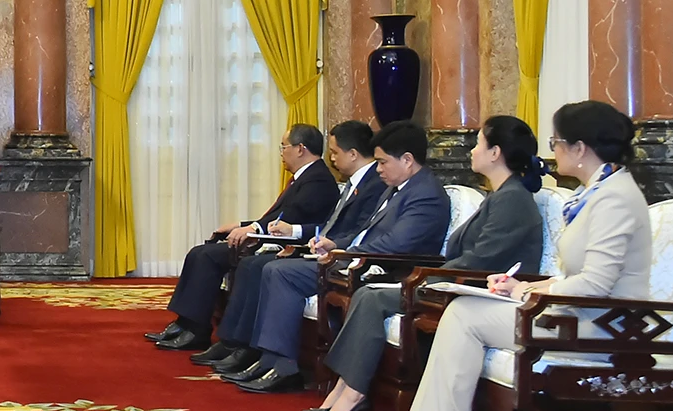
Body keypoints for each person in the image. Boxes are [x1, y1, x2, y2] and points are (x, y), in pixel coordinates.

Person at [398, 101, 650, 411]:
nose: (553, 151)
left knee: (465, 316)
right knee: (464, 311)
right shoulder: (600, 191)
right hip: (581, 312)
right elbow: (577, 276)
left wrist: (527, 295)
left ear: (580, 149)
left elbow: (596, 284)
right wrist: (523, 284)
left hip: (606, 325)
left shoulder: (614, 198)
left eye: (558, 142)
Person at [308, 115, 547, 411]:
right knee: (369, 294)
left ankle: (352, 392)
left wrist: (427, 277)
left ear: (495, 153)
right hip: (462, 282)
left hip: (481, 290)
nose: (472, 150)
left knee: (373, 297)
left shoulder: (513, 199)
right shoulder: (501, 195)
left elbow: (483, 260)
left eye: (478, 144)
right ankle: (345, 388)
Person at [224, 119, 452, 394]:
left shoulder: (425, 194)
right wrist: (333, 243)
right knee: (275, 268)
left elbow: (397, 243)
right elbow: (365, 232)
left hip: (383, 269)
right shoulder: (398, 188)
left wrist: (342, 252)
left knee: (279, 271)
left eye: (382, 162)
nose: (377, 169)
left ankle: (284, 366)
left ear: (406, 160)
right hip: (355, 259)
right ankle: (270, 359)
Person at [193, 120, 386, 372]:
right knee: (253, 263)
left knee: (264, 266)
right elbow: (327, 225)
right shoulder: (353, 182)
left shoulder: (372, 185)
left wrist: (317, 243)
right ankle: (235, 343)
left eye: (335, 153)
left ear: (352, 154)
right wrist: (298, 236)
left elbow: (359, 232)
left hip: (341, 259)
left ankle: (260, 354)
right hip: (321, 250)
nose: (331, 158)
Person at [148, 123, 340, 352]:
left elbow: (290, 218)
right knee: (200, 252)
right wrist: (241, 225)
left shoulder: (317, 180)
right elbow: (275, 217)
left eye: (283, 147)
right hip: (268, 238)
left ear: (300, 148)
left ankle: (197, 330)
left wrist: (252, 230)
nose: (281, 153)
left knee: (208, 256)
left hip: (282, 245)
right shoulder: (303, 177)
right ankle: (186, 322)